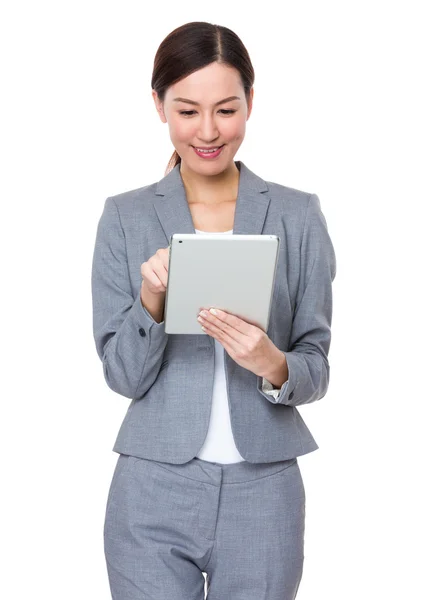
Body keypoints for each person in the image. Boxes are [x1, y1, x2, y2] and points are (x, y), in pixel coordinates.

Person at [91, 20, 337, 600]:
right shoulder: (124, 216)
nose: (207, 131)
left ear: (251, 101)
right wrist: (151, 304)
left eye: (226, 110)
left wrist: (273, 362)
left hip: (265, 489)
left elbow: (316, 365)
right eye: (187, 110)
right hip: (151, 486)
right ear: (158, 105)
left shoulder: (297, 215)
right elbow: (120, 374)